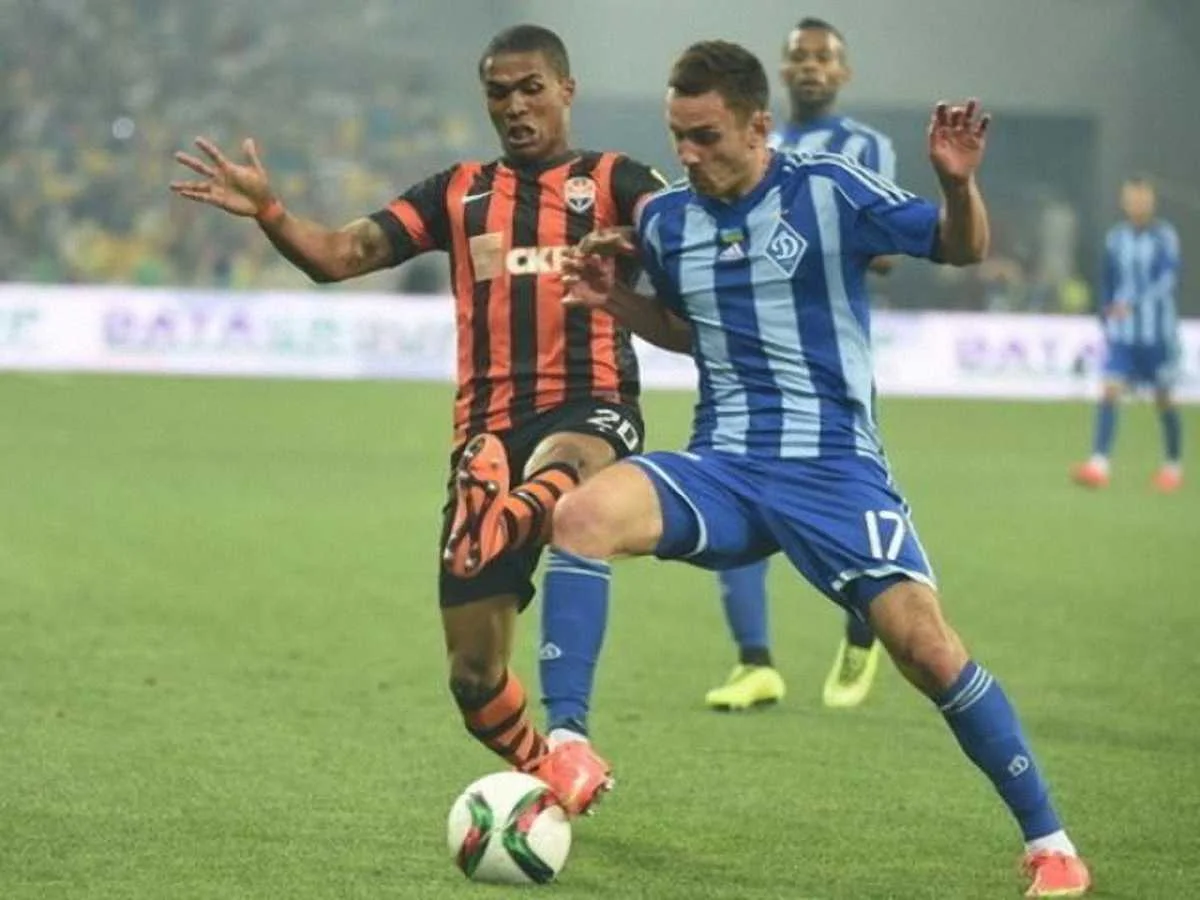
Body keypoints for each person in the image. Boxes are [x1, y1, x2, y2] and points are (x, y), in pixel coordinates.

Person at [549, 40, 1090, 897]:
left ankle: (1051, 845)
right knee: (580, 516)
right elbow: (692, 331)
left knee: (927, 650)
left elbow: (961, 247)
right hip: (724, 466)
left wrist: (957, 184)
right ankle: (567, 747)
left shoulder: (828, 190)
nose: (687, 154)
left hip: (834, 470)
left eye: (705, 136)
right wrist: (619, 300)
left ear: (757, 126)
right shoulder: (666, 221)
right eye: (677, 135)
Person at [169, 24, 665, 816]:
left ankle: (516, 512)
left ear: (566, 91)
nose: (515, 106)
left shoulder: (617, 180)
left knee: (567, 471)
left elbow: (689, 236)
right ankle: (552, 770)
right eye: (499, 93)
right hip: (487, 435)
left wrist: (638, 241)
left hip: (592, 403)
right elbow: (340, 255)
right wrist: (270, 211)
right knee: (473, 678)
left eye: (531, 88)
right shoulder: (457, 193)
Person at [706, 15, 900, 715]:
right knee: (734, 491)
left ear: (842, 73)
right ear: (782, 71)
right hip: (744, 352)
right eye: (800, 57)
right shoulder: (753, 141)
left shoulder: (864, 147)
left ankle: (864, 625)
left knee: (845, 502)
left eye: (824, 57)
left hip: (827, 359)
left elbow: (884, 250)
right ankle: (754, 662)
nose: (812, 66)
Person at [1071, 175, 1183, 492]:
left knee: (1164, 399)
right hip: (1124, 336)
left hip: (1157, 336)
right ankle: (1099, 464)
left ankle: (1172, 466)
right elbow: (1107, 279)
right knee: (1109, 389)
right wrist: (1106, 314)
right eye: (1132, 199)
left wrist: (1131, 304)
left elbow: (1167, 279)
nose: (1137, 204)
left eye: (1142, 198)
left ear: (1151, 201)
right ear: (1124, 202)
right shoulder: (1116, 238)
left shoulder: (1164, 237)